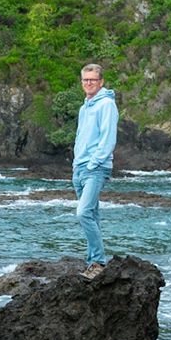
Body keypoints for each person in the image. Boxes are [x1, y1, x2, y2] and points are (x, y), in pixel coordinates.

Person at [70, 63, 118, 278]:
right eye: (85, 80)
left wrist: (93, 163)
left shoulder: (106, 104)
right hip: (79, 168)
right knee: (92, 216)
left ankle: (98, 263)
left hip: (95, 168)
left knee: (83, 213)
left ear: (101, 82)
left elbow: (108, 138)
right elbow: (81, 136)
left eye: (92, 80)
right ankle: (93, 264)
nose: (88, 83)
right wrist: (76, 164)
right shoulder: (85, 107)